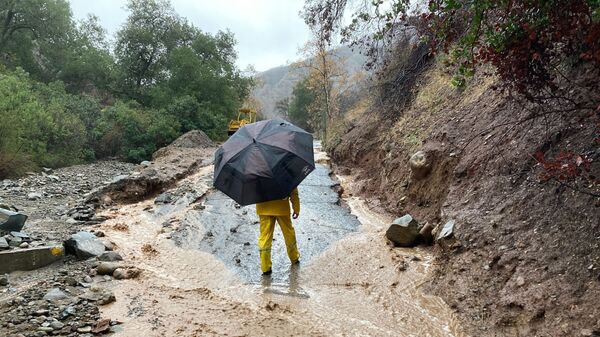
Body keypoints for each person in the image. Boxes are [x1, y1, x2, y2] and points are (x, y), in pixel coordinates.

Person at [256, 187, 300, 275]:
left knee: (265, 237)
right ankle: (294, 258)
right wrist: (296, 208)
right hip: (282, 208)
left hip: (263, 208)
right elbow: (293, 191)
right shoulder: (286, 173)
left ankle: (265, 267)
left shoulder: (256, 174)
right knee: (288, 233)